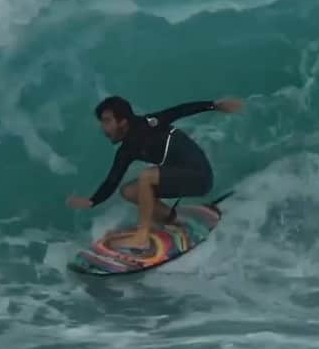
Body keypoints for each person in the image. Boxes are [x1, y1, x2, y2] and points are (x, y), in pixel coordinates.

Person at [66, 95, 244, 250]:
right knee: (128, 191)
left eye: (107, 121)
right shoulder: (126, 150)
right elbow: (113, 180)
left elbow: (180, 110)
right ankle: (174, 219)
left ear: (123, 121)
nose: (103, 128)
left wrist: (214, 105)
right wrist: (92, 201)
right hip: (180, 176)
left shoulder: (150, 123)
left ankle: (141, 238)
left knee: (147, 176)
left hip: (200, 176)